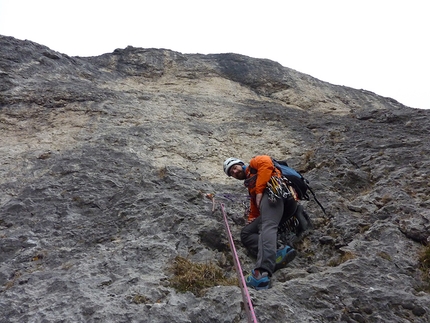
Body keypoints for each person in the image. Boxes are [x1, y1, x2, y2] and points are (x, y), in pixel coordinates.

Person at [223, 155, 300, 290]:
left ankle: (262, 273)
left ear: (241, 164)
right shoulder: (251, 185)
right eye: (231, 173)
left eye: (234, 168)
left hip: (274, 193)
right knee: (247, 233)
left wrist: (259, 191)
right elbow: (255, 208)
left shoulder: (254, 163)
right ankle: (278, 252)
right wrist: (251, 219)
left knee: (267, 227)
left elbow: (267, 163)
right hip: (285, 203)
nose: (234, 172)